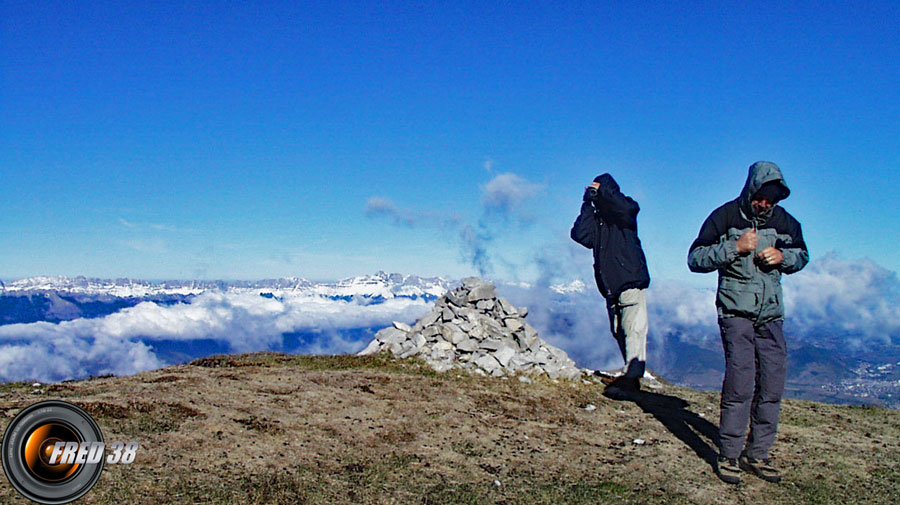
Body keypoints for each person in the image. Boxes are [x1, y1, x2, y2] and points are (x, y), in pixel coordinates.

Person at [688, 161, 809, 484]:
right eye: (762, 197)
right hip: (736, 314)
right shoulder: (726, 216)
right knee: (741, 385)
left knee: (772, 385)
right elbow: (695, 258)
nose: (766, 204)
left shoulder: (786, 223)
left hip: (770, 315)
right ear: (751, 190)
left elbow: (802, 255)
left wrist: (784, 258)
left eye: (772, 199)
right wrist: (735, 247)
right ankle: (729, 455)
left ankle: (757, 455)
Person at [571, 173, 651, 400]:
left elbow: (625, 209)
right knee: (619, 331)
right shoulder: (599, 221)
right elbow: (580, 235)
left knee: (633, 330)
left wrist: (603, 192)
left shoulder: (625, 211)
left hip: (630, 280)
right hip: (610, 286)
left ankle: (631, 378)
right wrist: (587, 203)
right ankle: (630, 377)